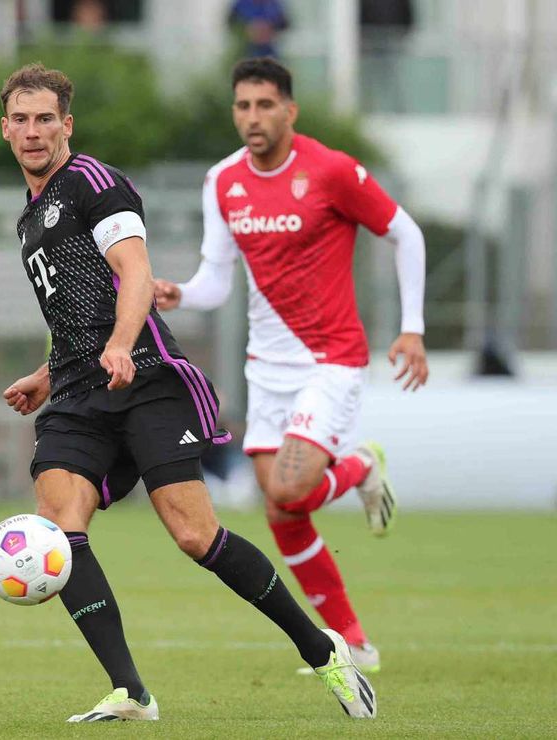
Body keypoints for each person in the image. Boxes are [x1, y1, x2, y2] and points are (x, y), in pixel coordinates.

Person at [0, 63, 376, 722]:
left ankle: (324, 651)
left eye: (45, 119)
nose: (33, 132)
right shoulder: (29, 219)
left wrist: (120, 345)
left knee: (194, 535)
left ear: (67, 125)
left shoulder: (94, 182)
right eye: (21, 120)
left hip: (143, 377)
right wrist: (46, 371)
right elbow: (72, 313)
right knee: (60, 529)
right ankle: (131, 692)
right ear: (5, 128)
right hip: (79, 392)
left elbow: (135, 274)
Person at [153, 57, 428, 675]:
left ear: (289, 110)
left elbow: (405, 234)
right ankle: (353, 642)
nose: (253, 117)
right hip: (266, 366)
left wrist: (411, 328)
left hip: (331, 357)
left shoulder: (329, 170)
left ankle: (358, 466)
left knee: (290, 488)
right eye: (243, 106)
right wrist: (181, 294)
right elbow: (216, 282)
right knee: (281, 511)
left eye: (265, 105)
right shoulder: (222, 181)